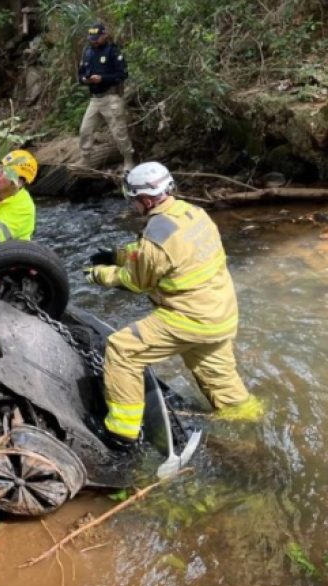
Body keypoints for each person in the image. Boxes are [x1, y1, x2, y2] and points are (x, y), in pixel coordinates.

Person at [84, 161, 262, 449]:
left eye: (132, 200)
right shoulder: (194, 213)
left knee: (122, 350)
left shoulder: (157, 237)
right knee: (223, 383)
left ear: (144, 199)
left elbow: (135, 280)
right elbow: (170, 253)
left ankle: (122, 433)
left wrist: (100, 274)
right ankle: (252, 434)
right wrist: (117, 254)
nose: (131, 206)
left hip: (187, 317)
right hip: (221, 315)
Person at [77, 22, 135, 171]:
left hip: (111, 97)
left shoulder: (112, 51)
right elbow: (81, 73)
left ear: (105, 35)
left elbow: (122, 74)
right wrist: (85, 79)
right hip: (95, 99)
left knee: (119, 132)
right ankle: (86, 160)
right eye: (92, 38)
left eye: (97, 37)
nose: (94, 40)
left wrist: (102, 78)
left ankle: (128, 160)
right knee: (85, 130)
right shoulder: (87, 51)